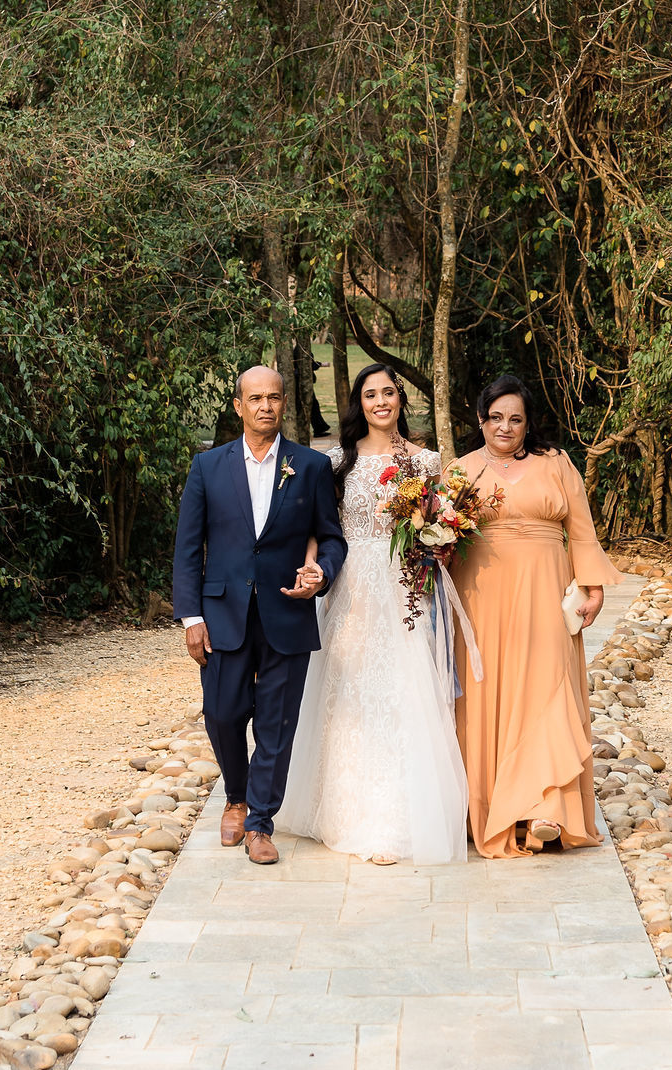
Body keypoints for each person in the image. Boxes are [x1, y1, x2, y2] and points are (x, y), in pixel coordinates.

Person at [276, 363, 469, 866]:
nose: (380, 402)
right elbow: (321, 527)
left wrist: (439, 542)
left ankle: (397, 820)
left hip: (405, 588)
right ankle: (343, 811)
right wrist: (313, 567)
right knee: (349, 692)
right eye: (370, 394)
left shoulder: (425, 461)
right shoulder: (336, 460)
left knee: (405, 691)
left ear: (400, 398)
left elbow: (438, 524)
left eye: (388, 392)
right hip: (352, 586)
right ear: (359, 403)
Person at [172, 365, 347, 866]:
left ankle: (260, 823)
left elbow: (332, 537)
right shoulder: (208, 466)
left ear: (284, 403)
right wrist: (190, 617)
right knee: (222, 713)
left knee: (277, 722)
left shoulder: (310, 466)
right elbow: (188, 548)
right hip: (222, 614)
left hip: (287, 612)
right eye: (255, 398)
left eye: (273, 397)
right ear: (238, 406)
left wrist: (321, 572)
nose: (265, 406)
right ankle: (235, 796)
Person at [450, 373, 623, 859]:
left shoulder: (556, 463)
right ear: (480, 420)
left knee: (548, 690)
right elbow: (442, 540)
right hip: (481, 597)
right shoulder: (460, 471)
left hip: (547, 593)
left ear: (528, 423)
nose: (505, 427)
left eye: (515, 419)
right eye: (496, 417)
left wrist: (592, 586)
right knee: (489, 697)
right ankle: (495, 811)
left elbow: (582, 529)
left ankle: (551, 808)